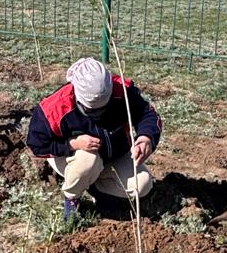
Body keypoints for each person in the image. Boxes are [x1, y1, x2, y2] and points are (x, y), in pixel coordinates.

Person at [26, 57, 162, 219]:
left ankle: (96, 189)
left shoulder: (123, 91)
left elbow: (147, 114)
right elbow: (37, 144)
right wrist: (73, 143)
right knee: (88, 161)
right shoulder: (55, 108)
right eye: (92, 111)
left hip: (114, 156)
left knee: (142, 183)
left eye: (105, 108)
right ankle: (72, 197)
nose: (100, 113)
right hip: (73, 158)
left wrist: (146, 137)